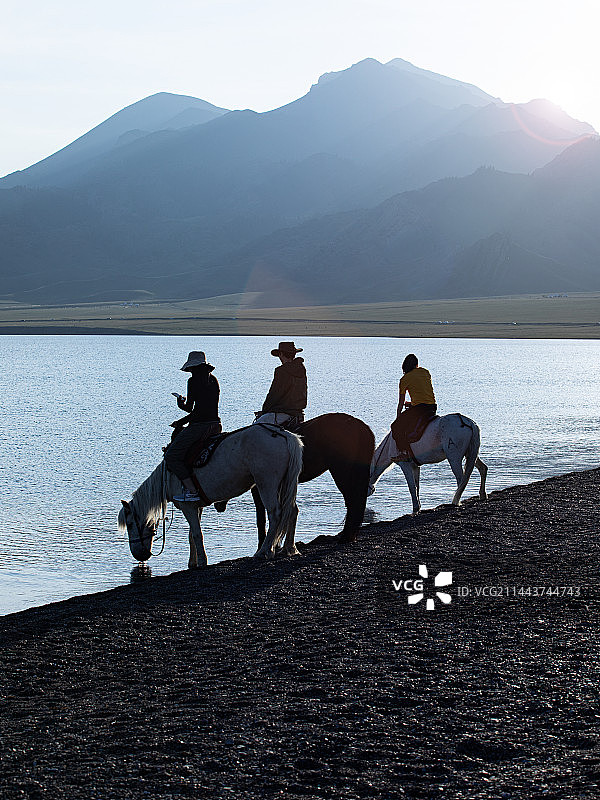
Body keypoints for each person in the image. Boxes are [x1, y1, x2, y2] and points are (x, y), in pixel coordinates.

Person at [164, 351, 221, 502]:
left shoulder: (193, 381)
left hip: (200, 427)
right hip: (215, 424)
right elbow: (205, 408)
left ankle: (192, 490)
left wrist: (180, 403)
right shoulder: (213, 380)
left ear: (192, 367)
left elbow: (191, 408)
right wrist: (181, 422)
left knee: (172, 456)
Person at [254, 341, 307, 428]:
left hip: (282, 413)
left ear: (281, 354)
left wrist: (264, 411)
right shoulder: (301, 368)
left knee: (254, 429)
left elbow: (274, 394)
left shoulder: (281, 371)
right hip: (298, 413)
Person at [391, 353, 437, 452]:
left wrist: (398, 418)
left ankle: (404, 452)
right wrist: (411, 404)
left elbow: (400, 403)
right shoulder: (426, 372)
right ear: (416, 364)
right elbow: (422, 392)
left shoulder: (404, 379)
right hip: (432, 407)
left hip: (420, 409)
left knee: (395, 427)